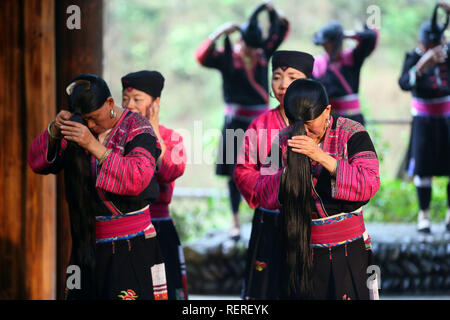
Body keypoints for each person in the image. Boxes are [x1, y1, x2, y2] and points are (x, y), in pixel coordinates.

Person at [28, 74, 168, 300]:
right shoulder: (78, 126)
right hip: (84, 246)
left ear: (110, 103)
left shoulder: (137, 127)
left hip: (131, 246)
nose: (90, 125)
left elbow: (138, 178)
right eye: (85, 119)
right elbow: (37, 163)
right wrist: (54, 130)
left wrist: (94, 146)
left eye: (94, 118)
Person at [254, 78, 380, 299]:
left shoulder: (352, 133)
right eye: (296, 125)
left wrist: (321, 157)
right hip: (298, 251)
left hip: (349, 251)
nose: (304, 133)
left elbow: (369, 184)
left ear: (327, 111)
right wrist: (286, 172)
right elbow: (262, 192)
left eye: (310, 125)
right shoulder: (283, 140)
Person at [195, 2, 290, 239]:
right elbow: (201, 56)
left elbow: (283, 29)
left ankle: (270, 211)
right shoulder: (228, 57)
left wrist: (272, 11)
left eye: (257, 48)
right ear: (242, 41)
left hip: (262, 123)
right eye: (250, 47)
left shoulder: (262, 54)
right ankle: (235, 220)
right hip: (235, 123)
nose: (254, 52)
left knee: (271, 166)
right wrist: (219, 32)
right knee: (233, 171)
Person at [234, 50, 315, 299]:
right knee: (266, 289)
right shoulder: (260, 124)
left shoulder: (319, 122)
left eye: (292, 77)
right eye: (277, 77)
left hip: (310, 222)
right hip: (271, 221)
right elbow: (243, 171)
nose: (282, 85)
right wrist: (275, 190)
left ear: (308, 82)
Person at [121, 70, 189, 300]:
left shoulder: (172, 138)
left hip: (158, 226)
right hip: (125, 228)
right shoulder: (115, 137)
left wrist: (154, 129)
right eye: (125, 98)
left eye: (137, 99)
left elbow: (170, 171)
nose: (129, 105)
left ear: (155, 102)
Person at [398, 2, 450, 233]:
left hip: (447, 119)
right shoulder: (413, 58)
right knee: (423, 169)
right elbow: (404, 83)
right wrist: (420, 67)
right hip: (423, 122)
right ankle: (424, 216)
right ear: (420, 43)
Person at [312, 21, 379, 125]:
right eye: (324, 44)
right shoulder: (319, 63)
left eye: (328, 43)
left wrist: (345, 35)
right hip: (329, 121)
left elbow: (371, 37)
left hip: (353, 120)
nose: (325, 47)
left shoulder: (353, 58)